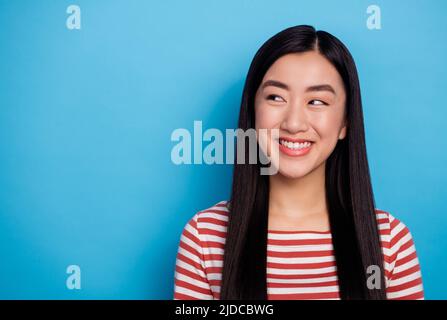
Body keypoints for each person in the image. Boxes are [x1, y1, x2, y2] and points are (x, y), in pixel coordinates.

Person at [173, 25, 424, 300]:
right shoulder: (205, 238)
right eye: (276, 97)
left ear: (345, 123)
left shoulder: (389, 242)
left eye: (316, 101)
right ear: (253, 114)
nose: (293, 123)